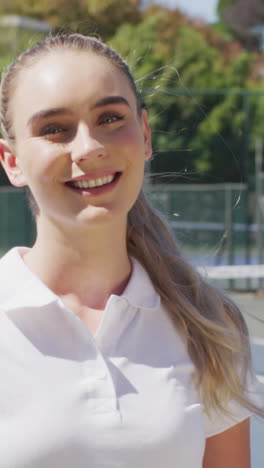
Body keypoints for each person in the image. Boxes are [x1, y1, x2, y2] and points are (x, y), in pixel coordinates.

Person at [0, 33, 262, 468]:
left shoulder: (209, 325)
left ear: (144, 134)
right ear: (11, 161)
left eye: (109, 118)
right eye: (54, 129)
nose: (88, 147)